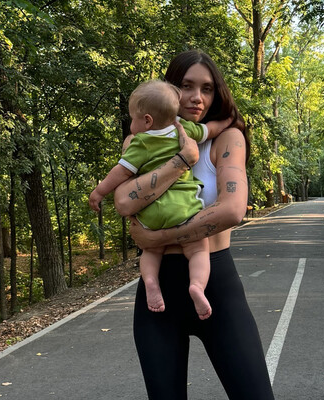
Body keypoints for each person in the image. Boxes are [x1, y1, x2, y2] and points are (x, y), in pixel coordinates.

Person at [113, 50, 275, 399]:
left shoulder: (227, 138)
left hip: (215, 284)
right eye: (186, 86)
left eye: (207, 88)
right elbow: (123, 202)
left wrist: (155, 237)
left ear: (217, 94)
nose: (196, 97)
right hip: (158, 293)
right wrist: (183, 159)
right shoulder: (143, 139)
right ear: (170, 88)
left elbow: (232, 210)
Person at [89, 80, 230, 320]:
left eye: (132, 119)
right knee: (198, 249)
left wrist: (99, 192)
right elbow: (210, 130)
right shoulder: (183, 129)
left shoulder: (140, 142)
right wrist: (229, 121)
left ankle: (151, 282)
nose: (131, 124)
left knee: (151, 251)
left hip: (152, 214)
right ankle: (197, 285)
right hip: (184, 209)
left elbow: (120, 172)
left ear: (147, 121)